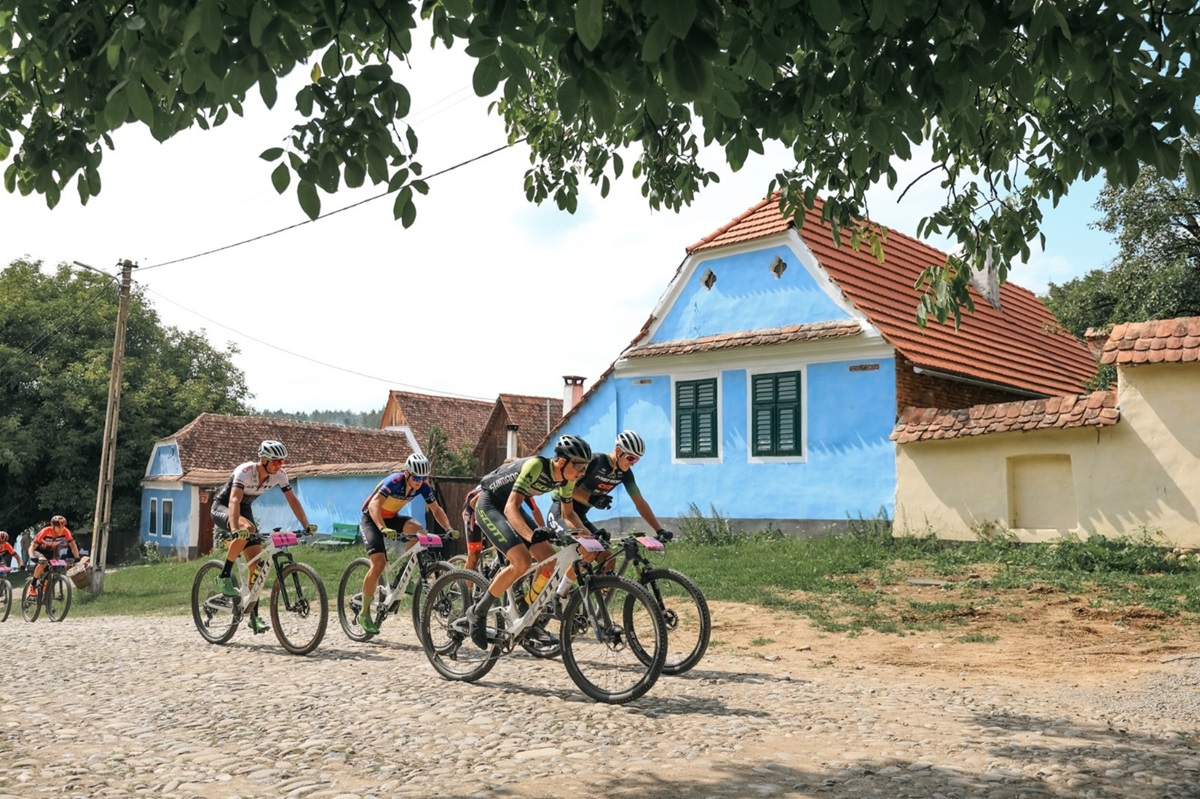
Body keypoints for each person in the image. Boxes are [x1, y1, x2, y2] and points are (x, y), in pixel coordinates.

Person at [465, 434, 592, 649]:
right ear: (562, 461)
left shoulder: (566, 479)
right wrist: (531, 536)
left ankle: (527, 613)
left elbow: (569, 514)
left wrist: (588, 536)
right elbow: (510, 508)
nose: (582, 472)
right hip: (490, 505)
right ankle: (478, 612)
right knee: (521, 561)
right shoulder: (535, 466)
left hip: (508, 506)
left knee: (548, 561)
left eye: (585, 468)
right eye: (579, 466)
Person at [209, 440, 317, 633]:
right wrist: (235, 528)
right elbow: (234, 500)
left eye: (282, 462)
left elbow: (293, 501)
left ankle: (253, 617)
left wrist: (306, 526)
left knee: (256, 568)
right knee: (247, 527)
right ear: (264, 460)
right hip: (224, 508)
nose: (280, 465)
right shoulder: (245, 471)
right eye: (276, 461)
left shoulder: (279, 476)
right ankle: (224, 575)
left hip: (245, 510)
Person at [546, 430, 673, 594]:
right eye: (630, 458)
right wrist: (592, 498)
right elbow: (567, 487)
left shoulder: (624, 474)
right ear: (619, 451)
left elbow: (640, 502)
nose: (633, 462)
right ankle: (560, 595)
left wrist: (659, 529)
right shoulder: (595, 461)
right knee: (589, 549)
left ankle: (597, 613)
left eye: (637, 459)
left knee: (607, 558)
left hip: (579, 516)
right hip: (561, 511)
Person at [356, 452, 456, 635]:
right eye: (416, 477)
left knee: (417, 529)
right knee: (378, 564)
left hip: (391, 518)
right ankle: (363, 613)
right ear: (407, 473)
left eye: (423, 477)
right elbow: (374, 505)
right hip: (372, 519)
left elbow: (436, 509)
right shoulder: (394, 481)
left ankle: (403, 575)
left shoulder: (423, 487)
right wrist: (382, 528)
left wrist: (449, 528)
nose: (419, 481)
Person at [28, 516, 80, 595]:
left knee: (52, 568)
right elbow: (32, 547)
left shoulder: (65, 531)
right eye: (59, 527)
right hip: (38, 550)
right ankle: (33, 585)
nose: (61, 529)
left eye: (63, 527)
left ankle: (46, 596)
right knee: (43, 563)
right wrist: (32, 556)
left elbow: (73, 545)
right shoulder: (45, 531)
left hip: (50, 552)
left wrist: (76, 557)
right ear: (53, 526)